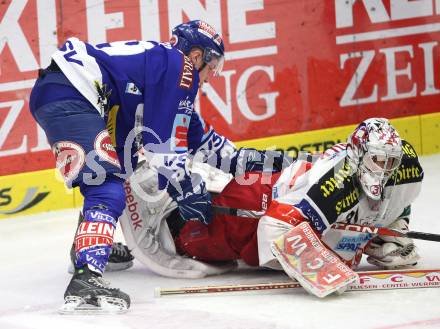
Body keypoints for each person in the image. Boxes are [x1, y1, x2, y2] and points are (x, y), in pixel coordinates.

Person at [30, 19, 289, 313]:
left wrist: (251, 161)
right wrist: (185, 188)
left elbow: (200, 142)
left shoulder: (163, 70)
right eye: (212, 64)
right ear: (196, 56)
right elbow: (164, 151)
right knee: (106, 186)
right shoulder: (180, 69)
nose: (212, 75)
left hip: (72, 91)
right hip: (74, 94)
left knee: (120, 170)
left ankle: (87, 248)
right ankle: (86, 276)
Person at [120, 118, 424, 297]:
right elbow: (275, 227)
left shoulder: (407, 169)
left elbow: (400, 200)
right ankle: (149, 187)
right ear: (359, 155)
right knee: (193, 236)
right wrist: (328, 271)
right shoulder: (336, 180)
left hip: (281, 190)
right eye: (378, 161)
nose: (385, 170)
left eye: (390, 162)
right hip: (259, 207)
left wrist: (390, 231)